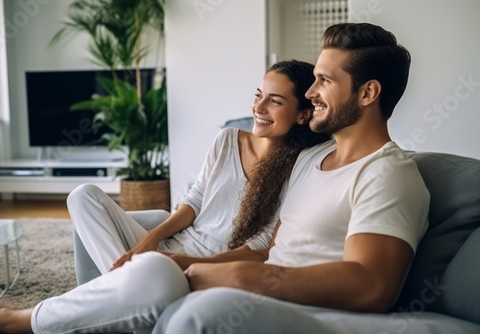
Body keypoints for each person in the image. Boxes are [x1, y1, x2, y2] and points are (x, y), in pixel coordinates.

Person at [0, 60, 330, 333]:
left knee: (152, 275)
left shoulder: (302, 165)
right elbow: (192, 203)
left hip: (204, 268)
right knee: (83, 195)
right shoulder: (227, 139)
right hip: (169, 250)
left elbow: (263, 249)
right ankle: (131, 301)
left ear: (302, 114)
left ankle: (18, 318)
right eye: (258, 95)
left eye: (275, 101)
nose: (259, 107)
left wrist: (186, 265)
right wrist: (150, 238)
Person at [147, 22, 431, 333]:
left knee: (198, 313)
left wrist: (241, 277)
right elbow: (272, 251)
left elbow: (371, 285)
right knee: (146, 276)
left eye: (324, 81)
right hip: (264, 299)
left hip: (310, 314)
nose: (311, 94)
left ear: (368, 93)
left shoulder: (388, 174)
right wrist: (189, 264)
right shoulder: (308, 159)